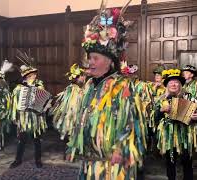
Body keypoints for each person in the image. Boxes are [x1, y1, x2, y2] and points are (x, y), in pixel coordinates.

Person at [66, 1, 147, 179]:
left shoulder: (122, 87)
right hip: (90, 159)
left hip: (113, 163)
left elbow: (131, 124)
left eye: (95, 58)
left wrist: (122, 148)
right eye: (89, 58)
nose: (90, 62)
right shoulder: (88, 85)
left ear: (110, 61)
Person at [155, 68, 197, 180]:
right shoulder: (161, 99)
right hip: (168, 135)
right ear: (167, 85)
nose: (174, 84)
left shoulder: (189, 97)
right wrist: (160, 111)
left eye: (176, 82)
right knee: (170, 162)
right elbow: (154, 119)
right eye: (171, 82)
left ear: (180, 84)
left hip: (186, 135)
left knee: (187, 161)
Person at [10, 64, 47, 168]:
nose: (34, 76)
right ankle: (17, 160)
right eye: (31, 75)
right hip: (24, 118)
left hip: (36, 118)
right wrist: (16, 115)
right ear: (26, 76)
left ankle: (38, 160)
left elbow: (43, 100)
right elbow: (15, 104)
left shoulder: (39, 86)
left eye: (34, 74)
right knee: (22, 140)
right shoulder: (19, 88)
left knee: (37, 140)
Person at [51, 63, 86, 139]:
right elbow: (73, 108)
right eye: (82, 76)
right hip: (74, 120)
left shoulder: (71, 88)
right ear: (77, 78)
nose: (84, 78)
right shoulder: (75, 91)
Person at [146, 65, 166, 151]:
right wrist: (154, 88)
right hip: (150, 114)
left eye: (159, 74)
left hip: (162, 114)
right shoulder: (150, 85)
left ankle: (160, 150)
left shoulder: (167, 87)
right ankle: (149, 149)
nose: (156, 76)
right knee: (148, 130)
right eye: (156, 75)